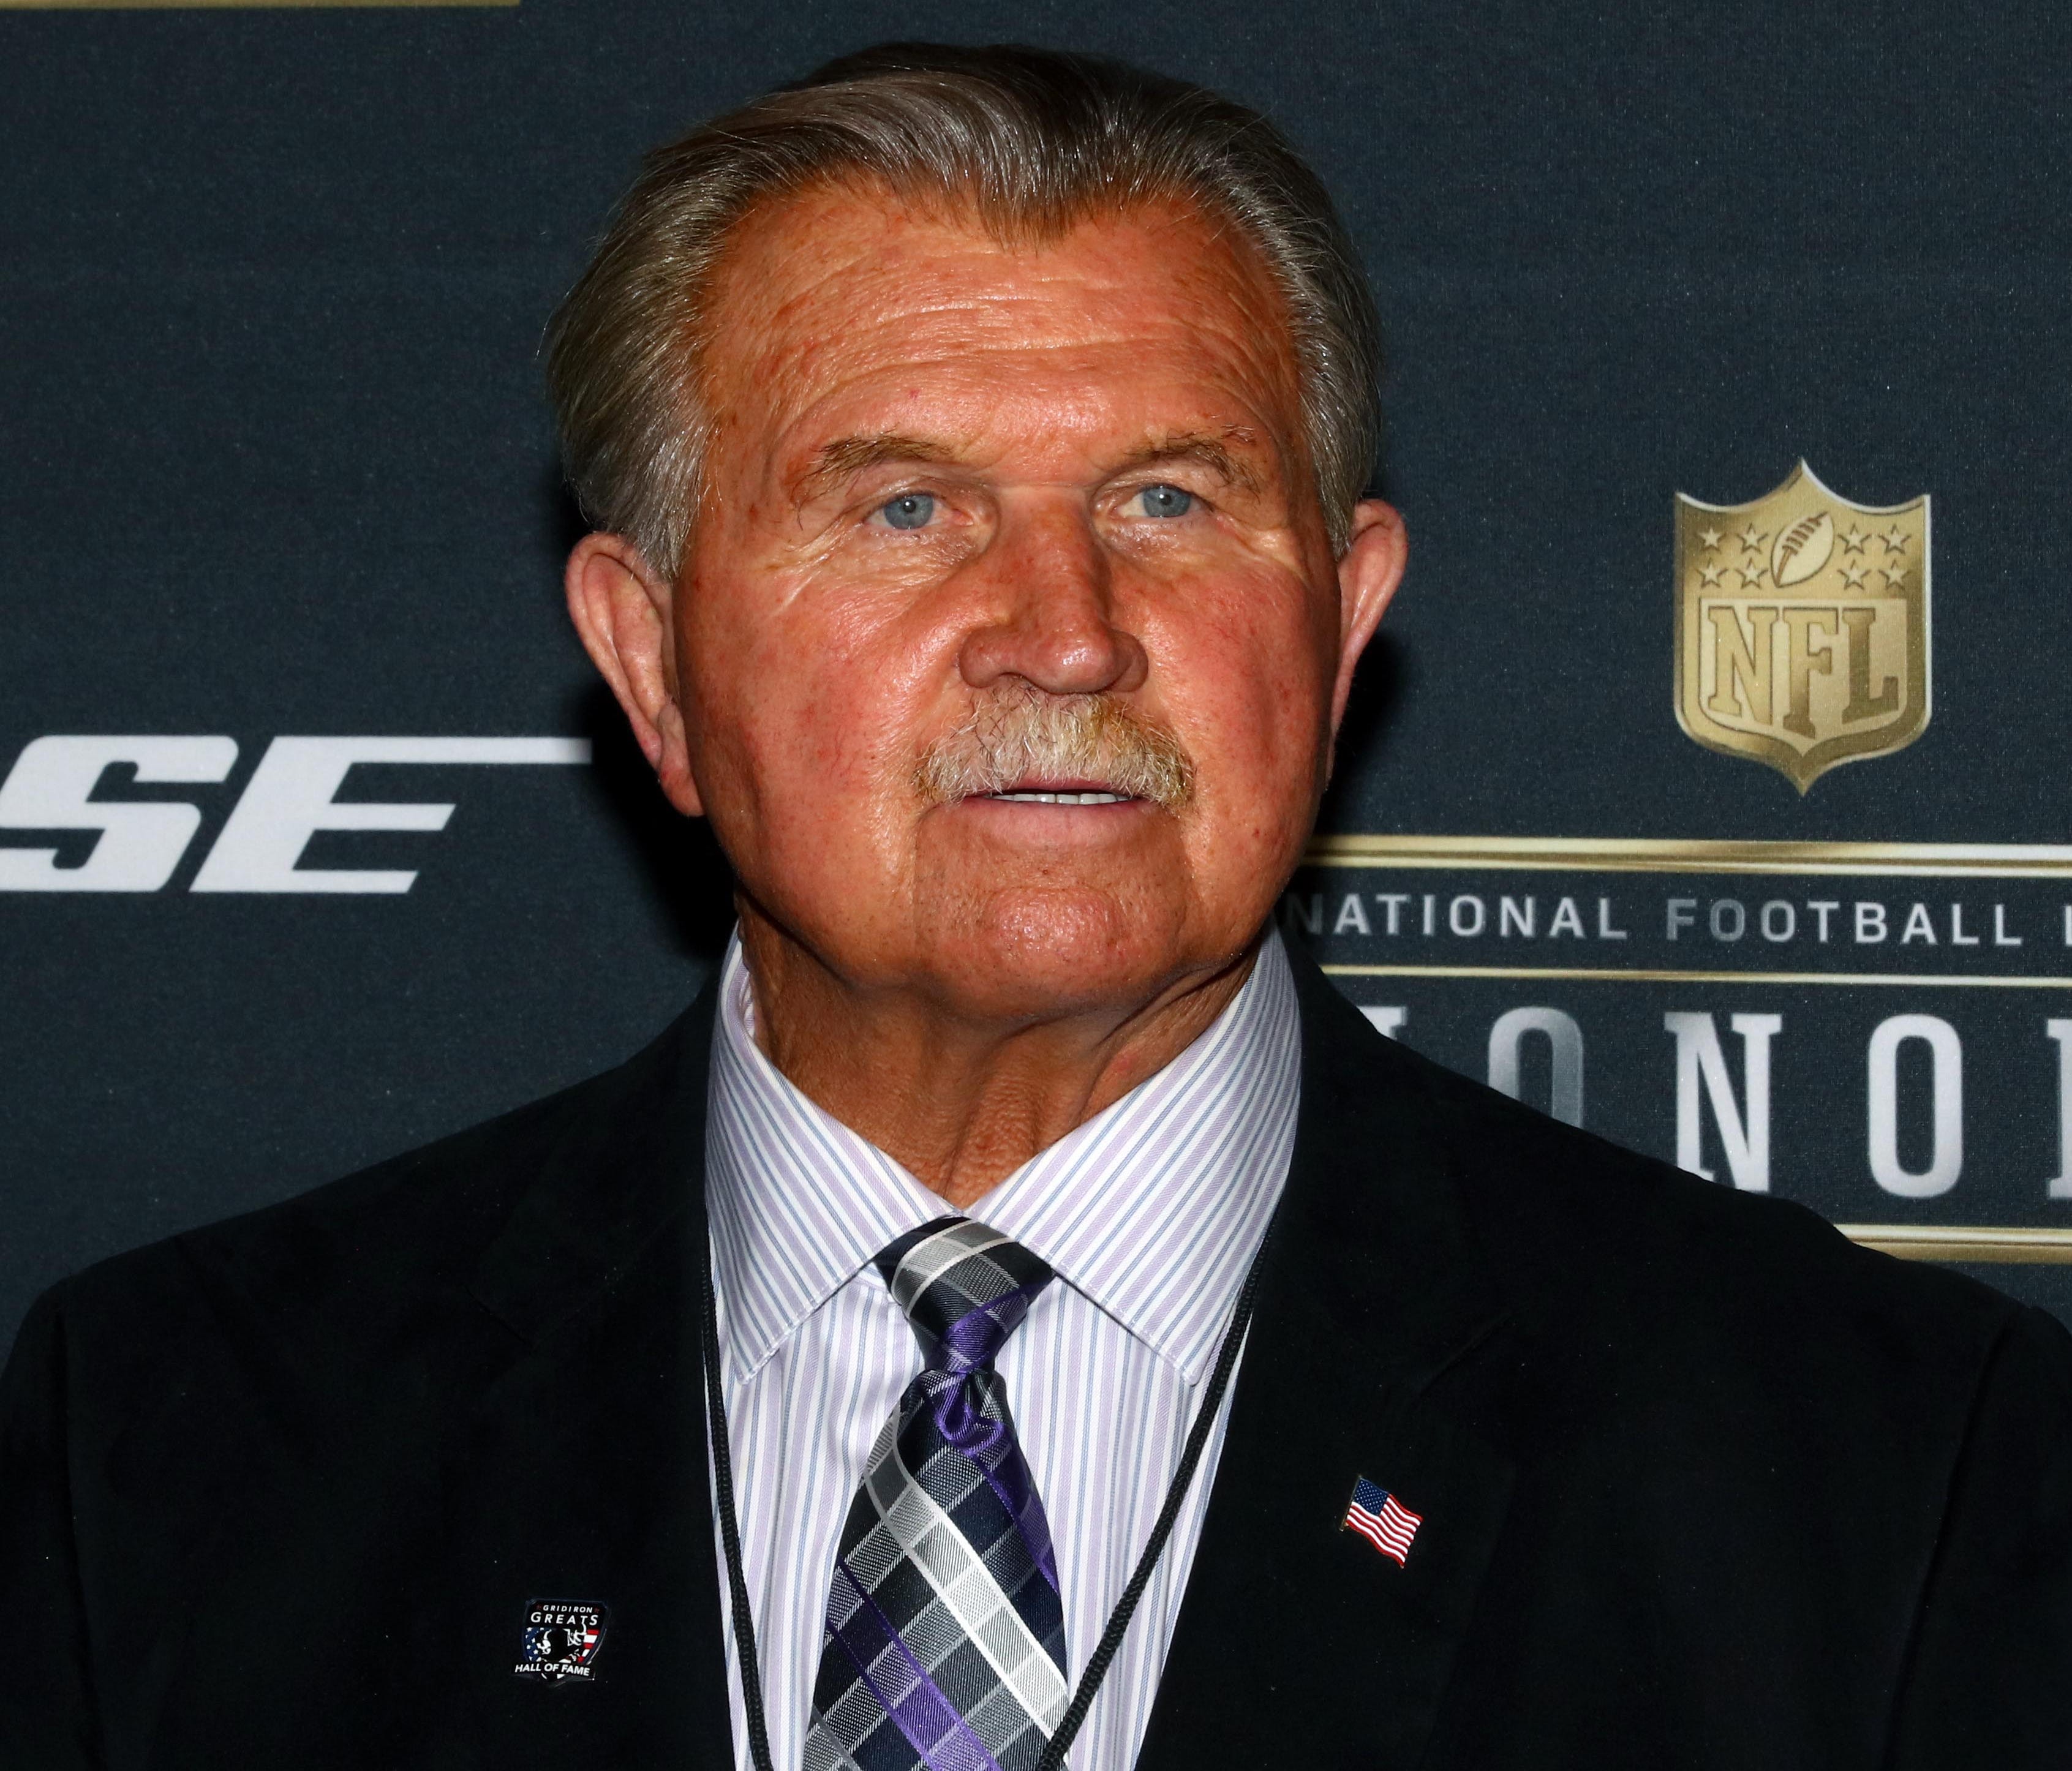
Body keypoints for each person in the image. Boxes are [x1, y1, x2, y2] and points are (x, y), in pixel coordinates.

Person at [2, 42, 2067, 1771]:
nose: (1067, 634)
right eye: (906, 507)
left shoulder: (1884, 1477)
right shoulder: (174, 1458)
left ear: (1340, 629)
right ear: (650, 662)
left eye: (1169, 499)